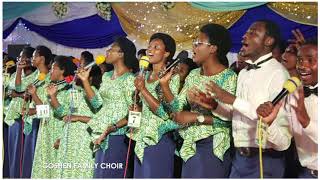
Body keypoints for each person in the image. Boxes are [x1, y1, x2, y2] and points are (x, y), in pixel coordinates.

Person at [204, 20, 292, 178]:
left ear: (268, 41)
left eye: (253, 33)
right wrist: (215, 105)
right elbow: (237, 115)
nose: (245, 36)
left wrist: (232, 99)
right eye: (246, 32)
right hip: (239, 158)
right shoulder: (244, 73)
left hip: (264, 159)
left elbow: (270, 119)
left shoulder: (279, 73)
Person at [159, 23, 237, 178]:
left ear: (213, 48)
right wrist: (165, 85)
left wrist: (196, 117)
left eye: (198, 43)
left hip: (214, 145)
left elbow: (230, 121)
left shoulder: (229, 77)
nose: (193, 47)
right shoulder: (193, 74)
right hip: (189, 145)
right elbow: (177, 107)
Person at [77, 37, 138, 178]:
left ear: (121, 54)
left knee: (111, 174)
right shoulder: (106, 76)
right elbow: (97, 104)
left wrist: (114, 127)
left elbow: (134, 112)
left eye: (112, 49)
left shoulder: (130, 79)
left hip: (117, 135)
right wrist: (85, 81)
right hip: (101, 132)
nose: (107, 51)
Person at [256, 39, 318, 178]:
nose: (303, 66)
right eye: (300, 60)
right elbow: (283, 143)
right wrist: (270, 123)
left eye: (310, 60)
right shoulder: (293, 95)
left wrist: (306, 122)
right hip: (304, 174)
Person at [131, 33, 180, 178]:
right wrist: (136, 107)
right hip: (140, 136)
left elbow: (165, 113)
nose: (150, 50)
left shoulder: (172, 77)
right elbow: (140, 106)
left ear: (166, 53)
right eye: (149, 47)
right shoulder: (143, 76)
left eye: (156, 47)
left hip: (159, 138)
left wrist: (143, 90)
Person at [4, 46, 37, 178]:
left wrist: (18, 94)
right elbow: (9, 89)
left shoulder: (35, 75)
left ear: (29, 59)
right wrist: (16, 92)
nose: (19, 59)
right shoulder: (16, 74)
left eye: (22, 57)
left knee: (19, 153)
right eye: (19, 57)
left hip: (22, 116)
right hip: (11, 114)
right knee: (11, 151)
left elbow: (19, 88)